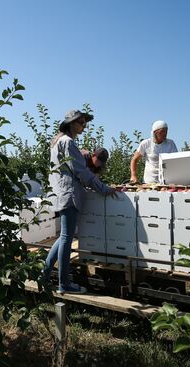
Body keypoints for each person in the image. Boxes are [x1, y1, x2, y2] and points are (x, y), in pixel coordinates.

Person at [44, 109, 117, 294]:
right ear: (71, 123)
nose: (84, 126)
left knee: (63, 236)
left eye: (85, 123)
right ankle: (64, 284)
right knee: (67, 238)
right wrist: (104, 189)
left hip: (60, 192)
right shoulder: (68, 142)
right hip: (69, 193)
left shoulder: (57, 140)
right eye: (81, 122)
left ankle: (44, 275)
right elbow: (82, 172)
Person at [129, 120, 178, 184]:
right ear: (155, 132)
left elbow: (176, 160)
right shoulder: (145, 143)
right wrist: (133, 175)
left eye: (166, 131)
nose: (165, 133)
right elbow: (134, 160)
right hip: (149, 182)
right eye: (162, 131)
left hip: (167, 182)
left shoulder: (170, 143)